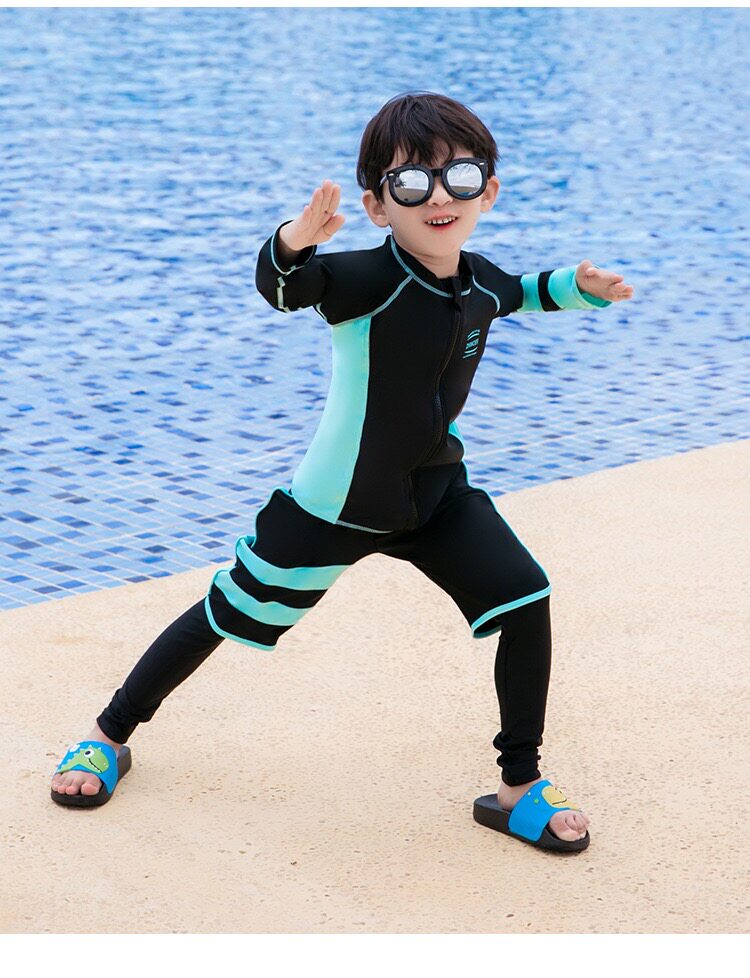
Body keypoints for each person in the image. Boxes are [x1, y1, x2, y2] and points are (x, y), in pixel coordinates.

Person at [50, 91, 633, 851]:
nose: (438, 198)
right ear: (376, 206)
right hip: (335, 503)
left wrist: (576, 290)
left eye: (458, 177)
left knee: (525, 599)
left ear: (488, 191)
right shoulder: (363, 279)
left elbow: (516, 293)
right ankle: (107, 734)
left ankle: (517, 785)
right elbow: (287, 289)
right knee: (228, 611)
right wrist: (294, 242)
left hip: (435, 495)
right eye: (411, 183)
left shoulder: (478, 278)